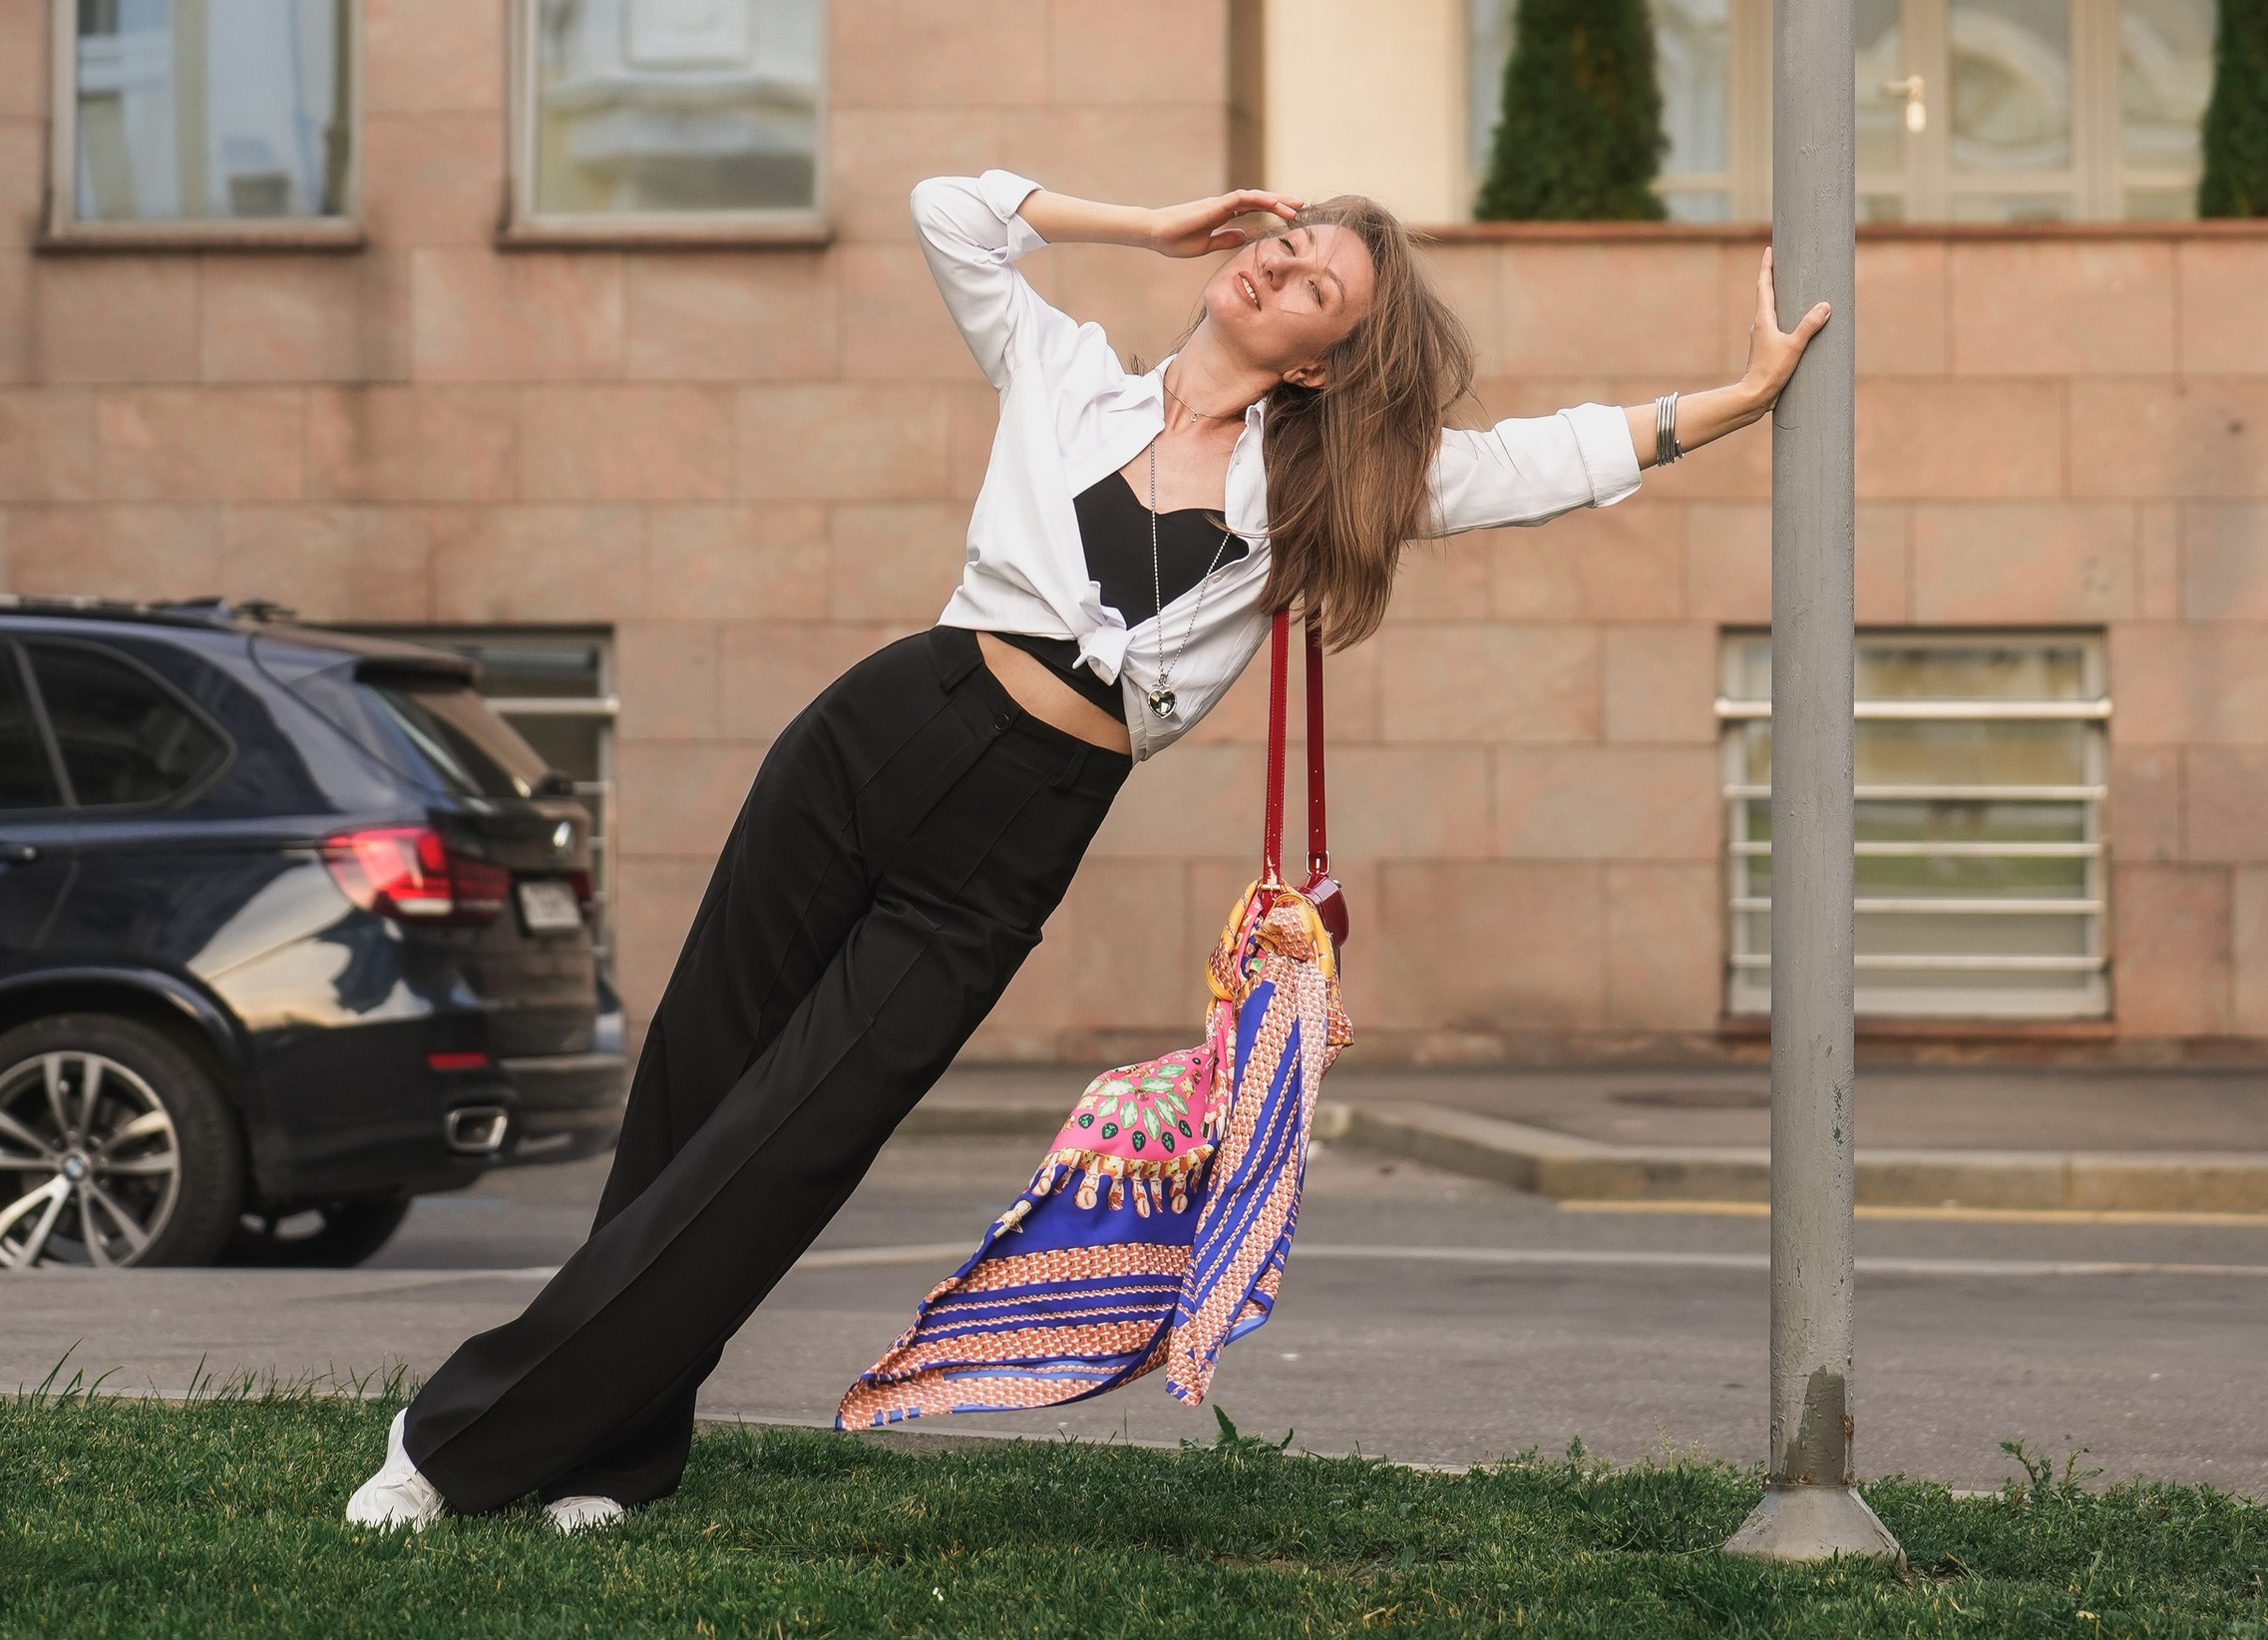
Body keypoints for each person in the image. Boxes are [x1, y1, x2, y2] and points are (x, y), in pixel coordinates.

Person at [347, 171, 1827, 1529]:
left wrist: (1743, 398)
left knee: (796, 1139)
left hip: (1013, 834)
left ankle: (450, 1447)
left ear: (1320, 362)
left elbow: (1536, 460)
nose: (1276, 267)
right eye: (1284, 242)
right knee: (698, 1083)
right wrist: (1144, 224)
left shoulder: (1316, 489)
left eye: (1313, 283)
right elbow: (949, 211)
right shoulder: (1062, 371)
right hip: (882, 730)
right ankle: (611, 1449)